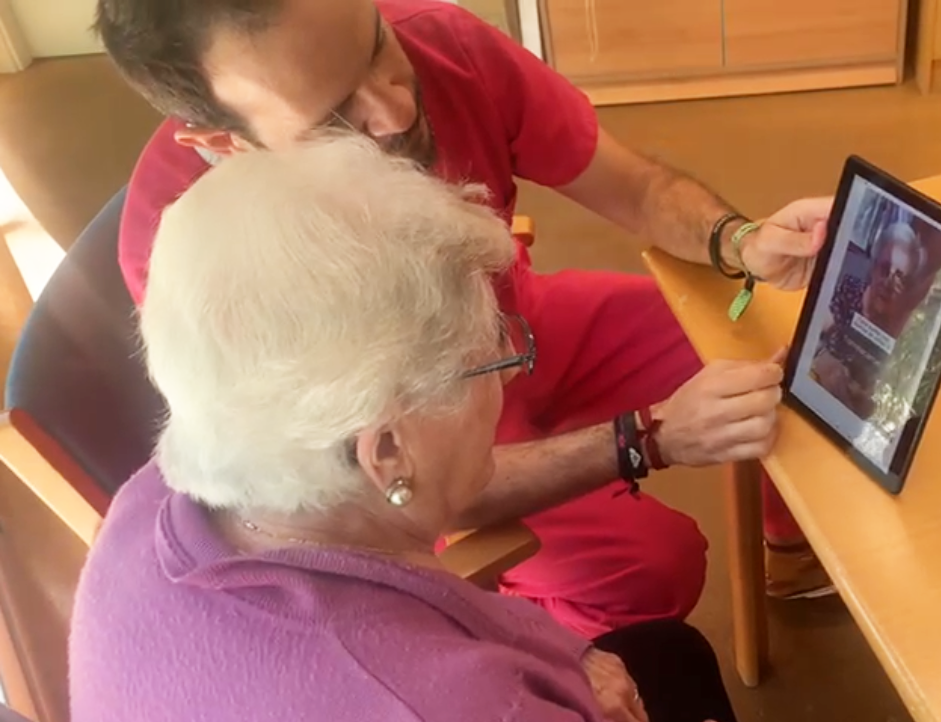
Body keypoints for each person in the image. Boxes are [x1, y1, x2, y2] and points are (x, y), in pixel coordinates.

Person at [93, 0, 835, 629]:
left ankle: (795, 554)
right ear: (226, 144)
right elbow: (380, 486)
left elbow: (638, 189)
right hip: (422, 437)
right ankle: (564, 649)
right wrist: (648, 437)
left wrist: (738, 239)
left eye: (375, 46)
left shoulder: (443, 41)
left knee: (785, 350)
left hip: (520, 325)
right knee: (654, 570)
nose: (397, 108)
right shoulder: (194, 262)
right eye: (334, 117)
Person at [69, 135, 738, 722]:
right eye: (490, 358)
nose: (510, 374)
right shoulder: (467, 705)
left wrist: (564, 655)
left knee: (668, 653)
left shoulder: (150, 500)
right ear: (387, 451)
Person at [811, 222, 940, 418]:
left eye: (899, 276)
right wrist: (824, 358)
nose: (888, 282)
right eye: (884, 269)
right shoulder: (850, 289)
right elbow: (817, 327)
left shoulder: (902, 331)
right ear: (873, 268)